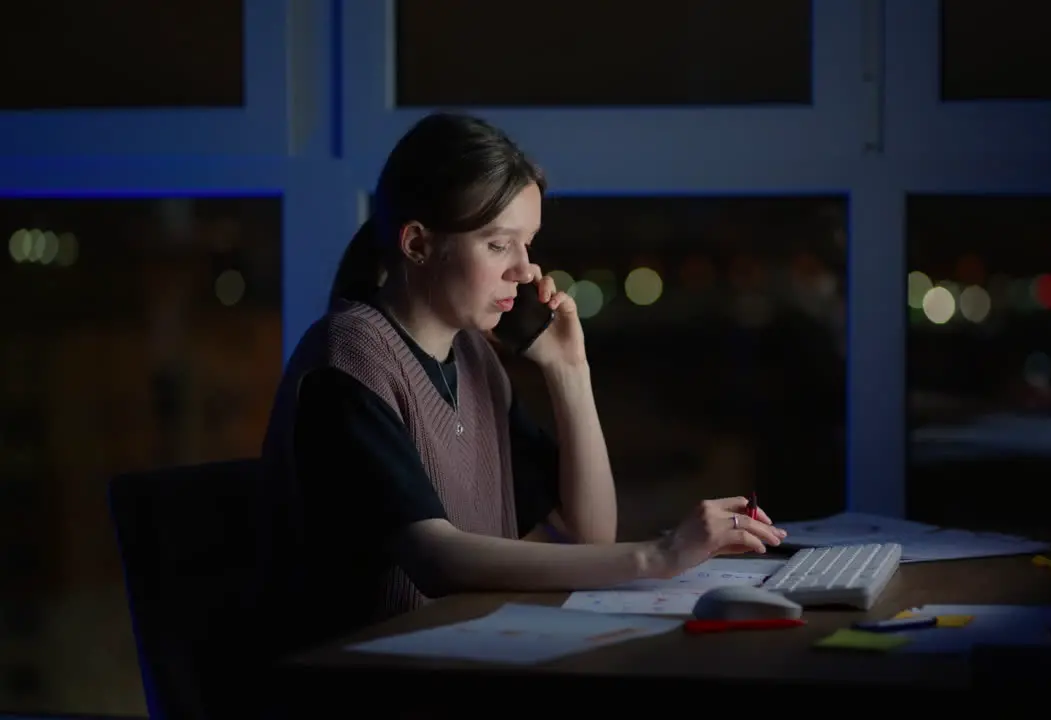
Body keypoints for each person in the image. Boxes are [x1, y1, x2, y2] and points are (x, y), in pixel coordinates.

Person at [258, 111, 786, 652]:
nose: (526, 270)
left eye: (527, 244)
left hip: (464, 663)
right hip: (362, 687)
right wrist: (660, 555)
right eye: (497, 245)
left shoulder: (474, 360)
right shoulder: (348, 357)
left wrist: (568, 372)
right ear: (417, 244)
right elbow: (437, 559)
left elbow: (586, 533)